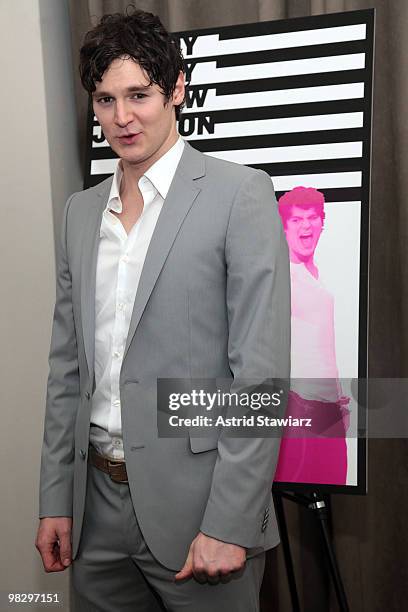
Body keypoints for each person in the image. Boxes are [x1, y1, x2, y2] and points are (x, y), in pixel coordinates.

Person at [35, 9, 290, 612]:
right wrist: (55, 498)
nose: (121, 118)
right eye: (104, 100)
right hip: (94, 512)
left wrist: (231, 520)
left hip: (201, 515)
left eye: (139, 95)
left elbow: (259, 374)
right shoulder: (79, 212)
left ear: (176, 89)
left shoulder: (240, 194)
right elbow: (67, 369)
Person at [274, 186, 349, 485]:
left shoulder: (322, 273)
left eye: (312, 217)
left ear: (322, 222)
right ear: (284, 226)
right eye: (297, 219)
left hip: (331, 414)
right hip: (297, 415)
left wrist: (336, 401)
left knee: (334, 484)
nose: (306, 225)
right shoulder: (280, 277)